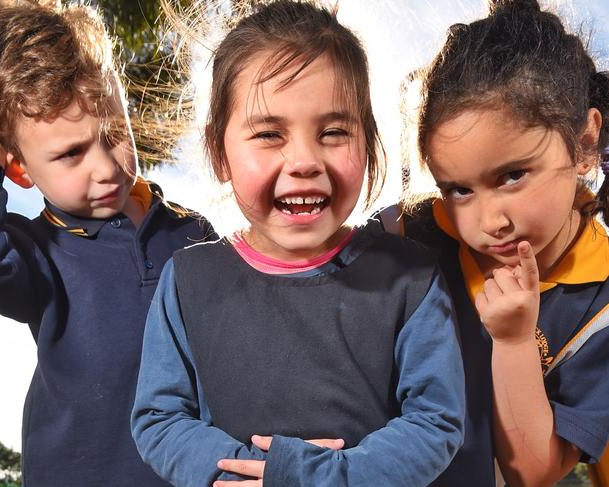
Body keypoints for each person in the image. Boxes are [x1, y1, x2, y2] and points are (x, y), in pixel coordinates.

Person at [131, 1, 465, 486]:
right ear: (218, 153)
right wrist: (248, 473)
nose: (305, 160)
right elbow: (159, 419)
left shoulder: (411, 278)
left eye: (333, 132)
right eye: (269, 133)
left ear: (369, 143)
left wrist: (329, 477)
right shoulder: (186, 281)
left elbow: (436, 421)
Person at [0, 1, 214, 486]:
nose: (105, 167)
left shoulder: (194, 232)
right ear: (18, 168)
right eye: (71, 153)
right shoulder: (36, 252)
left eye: (115, 133)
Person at [380, 0, 609, 484]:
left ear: (585, 143)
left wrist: (514, 342)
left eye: (512, 176)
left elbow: (533, 472)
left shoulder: (602, 307)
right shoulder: (406, 233)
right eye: (458, 189)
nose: (488, 221)